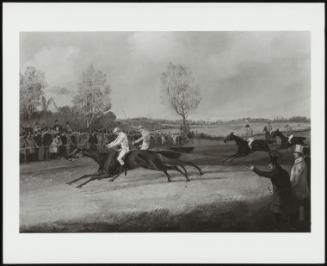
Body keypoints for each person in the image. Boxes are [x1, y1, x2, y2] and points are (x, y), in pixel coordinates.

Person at [249, 151, 292, 229]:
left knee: (277, 210)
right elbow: (287, 182)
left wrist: (254, 169)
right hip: (285, 193)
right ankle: (285, 224)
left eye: (269, 165)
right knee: (283, 209)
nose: (269, 167)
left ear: (273, 164)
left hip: (280, 194)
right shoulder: (283, 171)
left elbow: (264, 174)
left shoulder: (275, 172)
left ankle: (279, 226)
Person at [290, 144, 310, 226]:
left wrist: (290, 187)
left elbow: (297, 179)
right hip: (300, 187)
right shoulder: (299, 162)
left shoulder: (300, 164)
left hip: (299, 187)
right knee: (300, 203)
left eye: (295, 153)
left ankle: (301, 219)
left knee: (300, 203)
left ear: (299, 154)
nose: (293, 154)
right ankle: (300, 218)